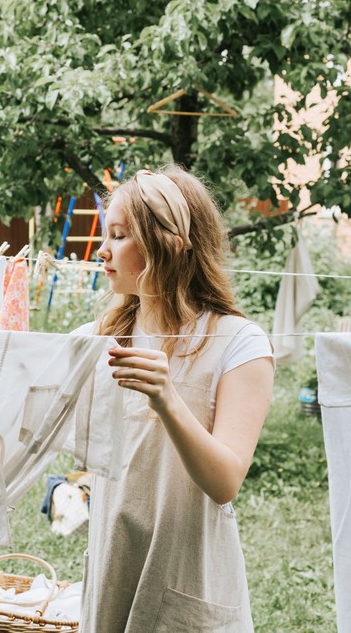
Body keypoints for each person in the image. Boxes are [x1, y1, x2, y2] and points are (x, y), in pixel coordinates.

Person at [76, 167, 275, 632]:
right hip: (113, 563)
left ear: (168, 243)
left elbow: (225, 482)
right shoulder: (100, 338)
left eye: (119, 235)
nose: (103, 251)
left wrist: (167, 399)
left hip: (190, 569)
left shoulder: (239, 343)